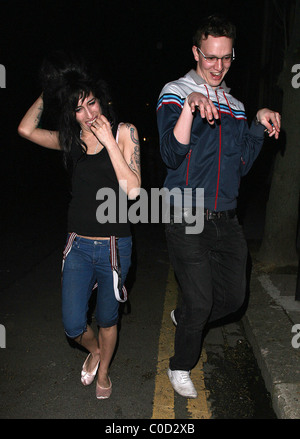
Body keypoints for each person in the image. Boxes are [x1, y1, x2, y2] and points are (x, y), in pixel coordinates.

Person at [156, 15, 281, 398]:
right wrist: (192, 107)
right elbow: (170, 154)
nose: (218, 66)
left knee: (234, 298)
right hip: (185, 213)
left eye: (225, 58)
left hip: (226, 217)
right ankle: (180, 366)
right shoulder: (175, 91)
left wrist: (258, 122)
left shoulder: (236, 105)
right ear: (197, 52)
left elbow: (241, 165)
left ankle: (187, 317)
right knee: (200, 298)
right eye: (210, 57)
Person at [18, 52, 141, 399]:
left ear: (101, 101)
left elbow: (133, 191)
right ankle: (95, 350)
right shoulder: (69, 141)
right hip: (79, 245)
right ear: (72, 114)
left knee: (107, 317)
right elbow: (25, 129)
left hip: (116, 245)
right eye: (80, 109)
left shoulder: (125, 132)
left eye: (93, 103)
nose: (90, 114)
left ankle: (104, 373)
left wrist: (109, 145)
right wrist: (51, 89)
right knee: (73, 324)